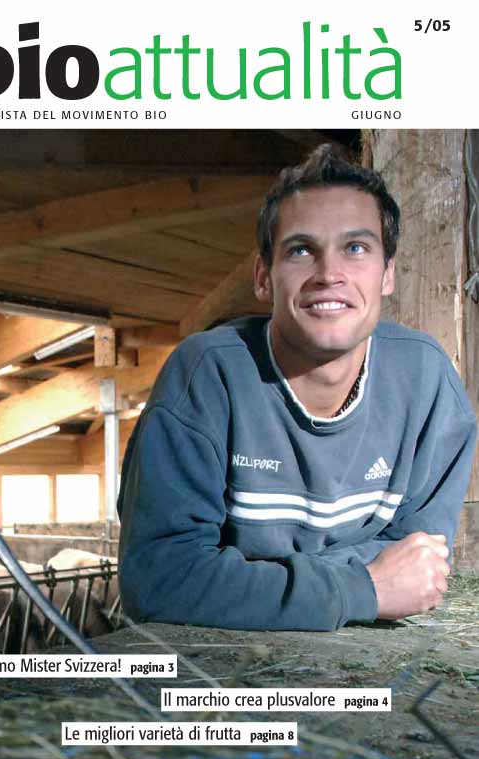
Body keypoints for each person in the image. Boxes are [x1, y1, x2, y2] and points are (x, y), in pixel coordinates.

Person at [116, 144, 477, 631]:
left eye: (356, 248)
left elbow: (418, 569)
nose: (329, 274)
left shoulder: (427, 382)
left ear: (388, 273)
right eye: (301, 250)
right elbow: (158, 579)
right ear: (264, 278)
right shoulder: (207, 376)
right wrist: (363, 587)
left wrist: (243, 579)